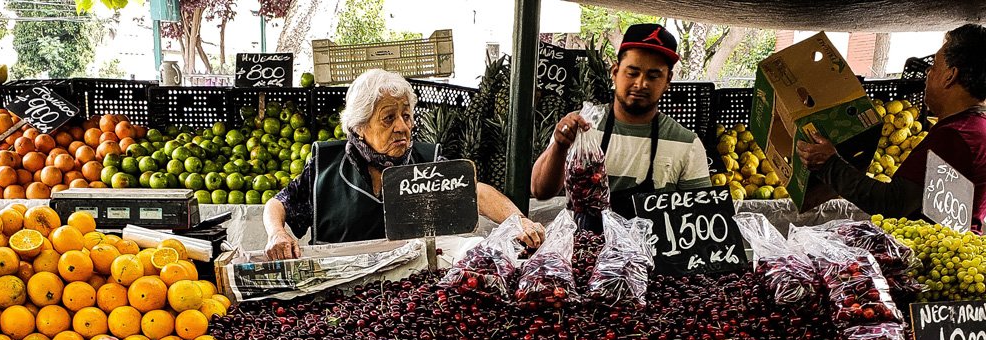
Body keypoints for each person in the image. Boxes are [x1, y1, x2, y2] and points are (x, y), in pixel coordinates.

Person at [264, 69, 544, 259]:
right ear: (360, 125)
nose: (402, 127)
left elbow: (476, 192)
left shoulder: (426, 161)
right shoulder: (326, 165)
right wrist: (277, 233)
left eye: (407, 116)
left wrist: (519, 221)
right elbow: (279, 203)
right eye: (389, 118)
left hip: (409, 299)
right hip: (338, 294)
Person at [798, 24, 986, 233]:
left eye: (933, 66)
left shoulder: (954, 137)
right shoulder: (978, 128)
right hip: (953, 248)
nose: (927, 73)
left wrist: (829, 164)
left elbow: (892, 203)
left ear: (950, 76)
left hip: (936, 255)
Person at [530, 23, 712, 213]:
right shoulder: (582, 127)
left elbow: (702, 218)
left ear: (668, 81)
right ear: (615, 73)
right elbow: (540, 191)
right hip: (585, 242)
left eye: (653, 76)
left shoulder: (687, 144)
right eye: (632, 73)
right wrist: (560, 146)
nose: (641, 84)